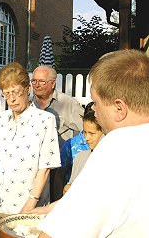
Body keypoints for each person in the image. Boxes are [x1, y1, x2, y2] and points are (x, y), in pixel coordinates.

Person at [37, 49, 149, 238]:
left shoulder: (118, 147)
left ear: (119, 108)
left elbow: (60, 234)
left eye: (96, 102)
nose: (94, 110)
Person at [0, 62, 60, 214]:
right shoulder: (0, 119)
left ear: (28, 89)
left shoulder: (45, 121)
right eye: (7, 93)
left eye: (16, 92)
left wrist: (31, 202)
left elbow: (45, 168)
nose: (11, 99)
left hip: (26, 207)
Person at [31, 65, 84, 201]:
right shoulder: (28, 104)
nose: (37, 85)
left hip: (57, 169)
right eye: (34, 81)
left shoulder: (68, 104)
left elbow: (88, 128)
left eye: (42, 81)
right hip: (33, 167)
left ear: (53, 83)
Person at [63, 102, 103, 194]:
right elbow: (69, 183)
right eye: (85, 132)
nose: (86, 138)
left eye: (92, 133)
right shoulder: (80, 156)